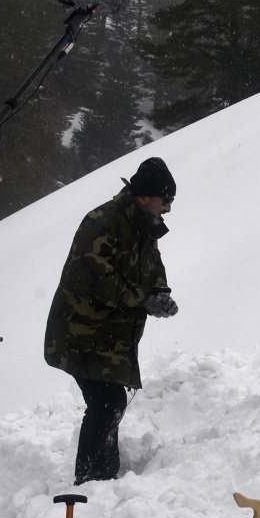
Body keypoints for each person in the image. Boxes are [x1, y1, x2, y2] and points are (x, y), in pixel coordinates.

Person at [45, 156, 178, 484]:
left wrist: (160, 291)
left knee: (109, 402)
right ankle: (91, 480)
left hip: (109, 333)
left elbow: (152, 261)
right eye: (166, 200)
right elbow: (96, 280)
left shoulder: (142, 223)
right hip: (80, 331)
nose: (169, 208)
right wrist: (143, 299)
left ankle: (101, 477)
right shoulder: (102, 223)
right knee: (107, 402)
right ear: (143, 197)